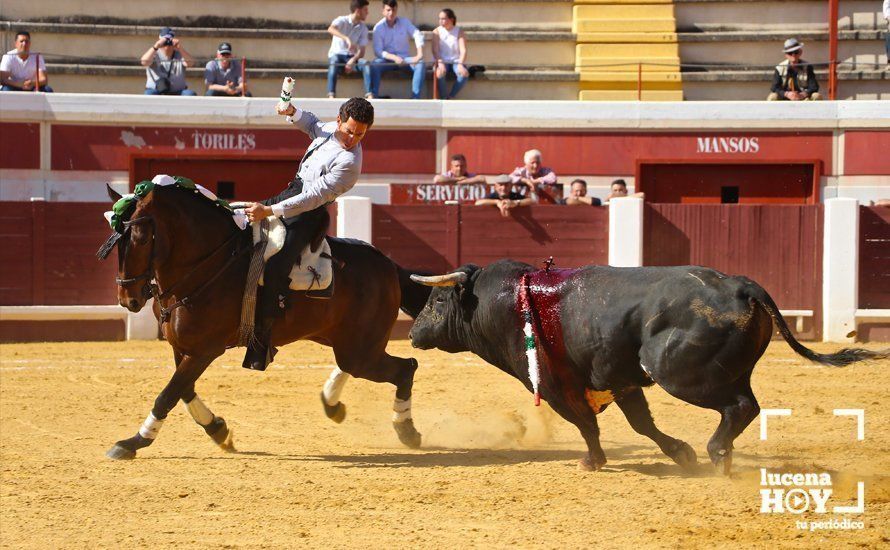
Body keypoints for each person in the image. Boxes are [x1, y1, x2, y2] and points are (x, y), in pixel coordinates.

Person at [241, 97, 375, 371]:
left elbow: (312, 197)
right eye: (350, 131)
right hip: (291, 191)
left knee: (277, 265)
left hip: (308, 214)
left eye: (360, 134)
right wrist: (292, 112)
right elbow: (313, 124)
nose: (353, 139)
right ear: (339, 121)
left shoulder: (350, 163)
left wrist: (270, 210)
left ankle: (264, 342)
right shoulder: (330, 130)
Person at [368, 0, 425, 99]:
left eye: (393, 10)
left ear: (396, 10)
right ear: (383, 11)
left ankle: (415, 98)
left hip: (405, 59)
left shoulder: (404, 22)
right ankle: (374, 95)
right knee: (374, 64)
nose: (391, 13)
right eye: (388, 10)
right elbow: (378, 51)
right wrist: (394, 58)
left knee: (421, 64)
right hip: (387, 61)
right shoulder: (378, 27)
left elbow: (417, 34)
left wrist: (419, 54)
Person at [327, 0, 372, 99]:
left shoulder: (363, 28)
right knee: (333, 62)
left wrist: (353, 60)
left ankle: (370, 95)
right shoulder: (342, 20)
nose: (367, 13)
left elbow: (362, 51)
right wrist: (346, 38)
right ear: (358, 11)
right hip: (337, 55)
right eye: (365, 10)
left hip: (351, 58)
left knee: (366, 64)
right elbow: (330, 29)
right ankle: (331, 95)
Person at [140, 27, 197, 96]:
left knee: (190, 94)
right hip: (156, 90)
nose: (167, 43)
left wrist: (180, 48)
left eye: (169, 40)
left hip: (178, 91)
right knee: (149, 94)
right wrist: (156, 46)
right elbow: (144, 62)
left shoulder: (180, 54)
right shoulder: (153, 54)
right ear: (159, 40)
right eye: (165, 40)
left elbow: (191, 63)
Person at [431, 8, 469, 99]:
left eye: (443, 19)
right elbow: (435, 50)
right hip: (442, 60)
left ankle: (451, 96)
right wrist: (440, 63)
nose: (441, 21)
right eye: (439, 18)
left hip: (456, 61)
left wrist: (460, 64)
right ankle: (444, 98)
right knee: (440, 73)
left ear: (451, 19)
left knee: (464, 74)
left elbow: (463, 50)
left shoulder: (459, 31)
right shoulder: (436, 31)